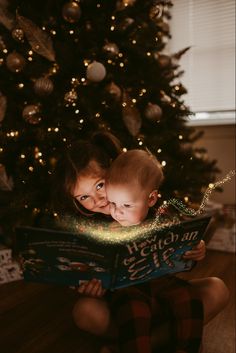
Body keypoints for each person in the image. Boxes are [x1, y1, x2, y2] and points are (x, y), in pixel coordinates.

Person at [53, 132, 229, 353]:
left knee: (217, 289)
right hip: (124, 304)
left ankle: (143, 344)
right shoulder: (87, 227)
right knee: (85, 310)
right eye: (83, 197)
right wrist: (91, 286)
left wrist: (193, 251)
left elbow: (175, 249)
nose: (97, 200)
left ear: (113, 169)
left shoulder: (148, 206)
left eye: (99, 186)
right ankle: (155, 340)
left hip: (163, 293)